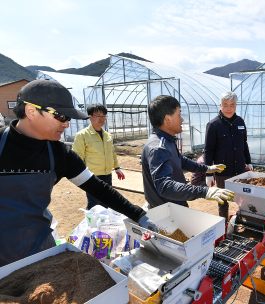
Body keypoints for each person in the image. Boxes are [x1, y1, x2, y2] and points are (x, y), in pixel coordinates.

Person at [0, 80, 155, 267]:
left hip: (40, 251)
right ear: (31, 111)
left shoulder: (60, 154)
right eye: (61, 117)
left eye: (68, 119)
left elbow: (99, 189)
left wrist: (139, 215)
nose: (66, 125)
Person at [142, 95, 234, 212]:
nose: (182, 119)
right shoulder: (159, 148)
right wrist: (205, 191)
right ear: (168, 119)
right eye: (179, 115)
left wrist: (207, 169)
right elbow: (165, 187)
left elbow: (182, 161)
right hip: (167, 212)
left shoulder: (167, 141)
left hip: (174, 206)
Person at [205, 92, 252, 221]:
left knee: (242, 197)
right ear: (220, 105)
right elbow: (208, 150)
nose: (228, 108)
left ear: (236, 106)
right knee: (223, 199)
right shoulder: (213, 125)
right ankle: (223, 224)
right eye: (225, 105)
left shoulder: (240, 121)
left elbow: (244, 143)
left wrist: (248, 161)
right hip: (222, 171)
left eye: (232, 105)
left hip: (239, 169)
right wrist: (208, 173)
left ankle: (242, 219)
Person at [72, 103, 125, 210]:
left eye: (104, 116)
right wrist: (82, 176)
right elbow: (77, 157)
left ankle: (103, 225)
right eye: (98, 115)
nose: (102, 118)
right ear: (90, 117)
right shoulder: (82, 135)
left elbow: (112, 153)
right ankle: (92, 226)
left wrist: (117, 168)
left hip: (107, 175)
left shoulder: (107, 135)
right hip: (92, 176)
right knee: (94, 205)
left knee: (106, 202)